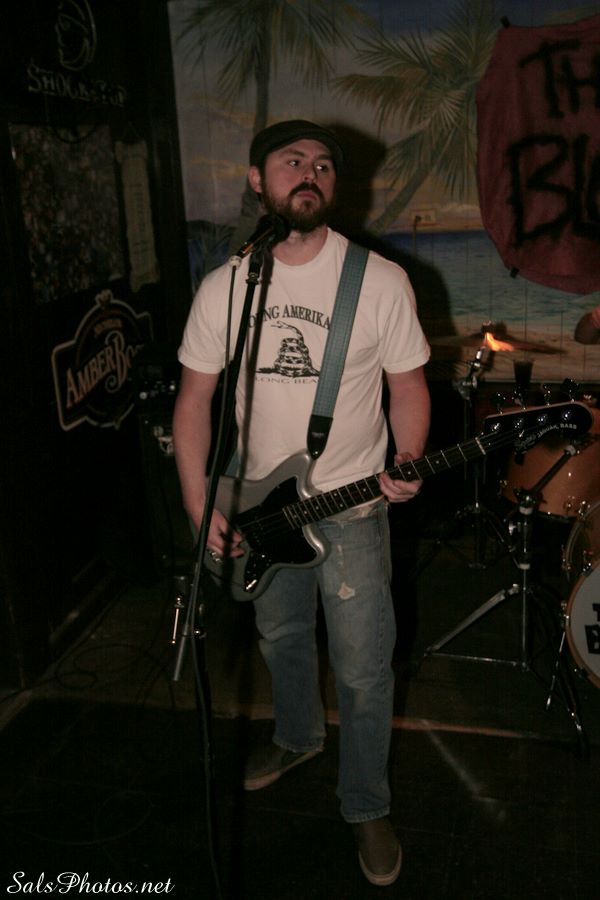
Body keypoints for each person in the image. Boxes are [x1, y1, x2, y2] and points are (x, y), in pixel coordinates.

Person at [172, 119, 431, 887]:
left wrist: (409, 455)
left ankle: (366, 804)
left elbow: (408, 385)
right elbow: (194, 401)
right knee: (280, 638)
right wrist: (199, 505)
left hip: (352, 508)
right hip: (257, 504)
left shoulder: (378, 282)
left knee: (364, 670)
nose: (309, 173)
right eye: (292, 161)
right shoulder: (227, 286)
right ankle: (296, 738)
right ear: (258, 180)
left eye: (322, 164)